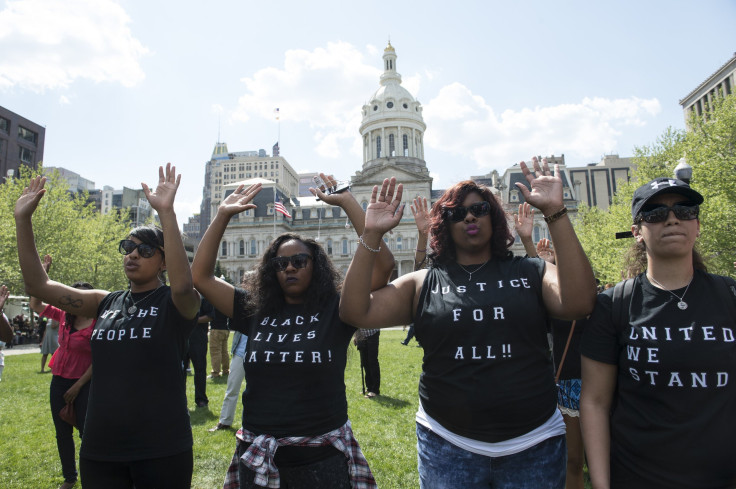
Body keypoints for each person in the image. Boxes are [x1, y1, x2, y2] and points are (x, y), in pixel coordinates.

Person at [340, 157, 597, 489]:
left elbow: (580, 301)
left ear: (495, 217)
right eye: (455, 213)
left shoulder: (530, 271)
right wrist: (372, 233)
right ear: (443, 224)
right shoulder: (423, 282)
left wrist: (555, 214)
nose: (469, 216)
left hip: (534, 443)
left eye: (480, 209)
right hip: (447, 444)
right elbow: (355, 312)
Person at [192, 174, 394, 489]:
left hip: (321, 457)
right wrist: (222, 216)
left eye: (299, 261)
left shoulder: (337, 309)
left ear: (316, 266)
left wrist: (352, 206)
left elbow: (382, 269)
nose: (289, 268)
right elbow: (201, 277)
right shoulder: (255, 309)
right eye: (280, 263)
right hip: (259, 453)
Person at [15, 164, 200, 488]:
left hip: (162, 447)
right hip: (101, 448)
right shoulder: (104, 301)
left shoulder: (174, 303)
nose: (132, 255)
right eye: (127, 248)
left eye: (144, 250)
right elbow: (38, 286)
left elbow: (184, 286)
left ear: (164, 261)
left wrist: (166, 213)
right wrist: (23, 220)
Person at [580, 177, 736, 489]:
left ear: (698, 225)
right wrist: (600, 484)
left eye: (685, 209)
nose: (673, 218)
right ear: (637, 232)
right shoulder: (613, 306)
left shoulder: (730, 296)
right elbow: (595, 402)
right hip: (638, 477)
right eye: (655, 213)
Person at [28, 255, 96, 489]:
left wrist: (77, 387)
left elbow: (99, 360)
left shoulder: (99, 321)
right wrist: (43, 273)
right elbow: (36, 304)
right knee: (62, 432)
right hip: (59, 379)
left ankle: (92, 476)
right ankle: (70, 477)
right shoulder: (64, 315)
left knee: (86, 432)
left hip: (85, 382)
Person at [209, 329, 248, 431]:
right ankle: (224, 421)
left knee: (255, 392)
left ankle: (250, 424)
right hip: (240, 352)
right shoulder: (243, 313)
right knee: (232, 388)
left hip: (258, 353)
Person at [190, 297, 215, 408]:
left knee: (200, 369)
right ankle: (180, 399)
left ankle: (201, 399)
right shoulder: (178, 294)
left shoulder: (203, 297)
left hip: (198, 339)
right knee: (179, 370)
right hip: (181, 337)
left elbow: (210, 316)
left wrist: (193, 320)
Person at [354, 328, 380, 398]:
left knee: (372, 361)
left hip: (372, 333)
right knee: (365, 362)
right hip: (361, 335)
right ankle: (369, 387)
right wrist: (356, 336)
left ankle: (375, 390)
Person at [209, 306, 231, 378]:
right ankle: (226, 370)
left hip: (216, 329)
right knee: (224, 352)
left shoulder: (214, 303)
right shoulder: (223, 303)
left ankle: (215, 372)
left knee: (215, 351)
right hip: (225, 329)